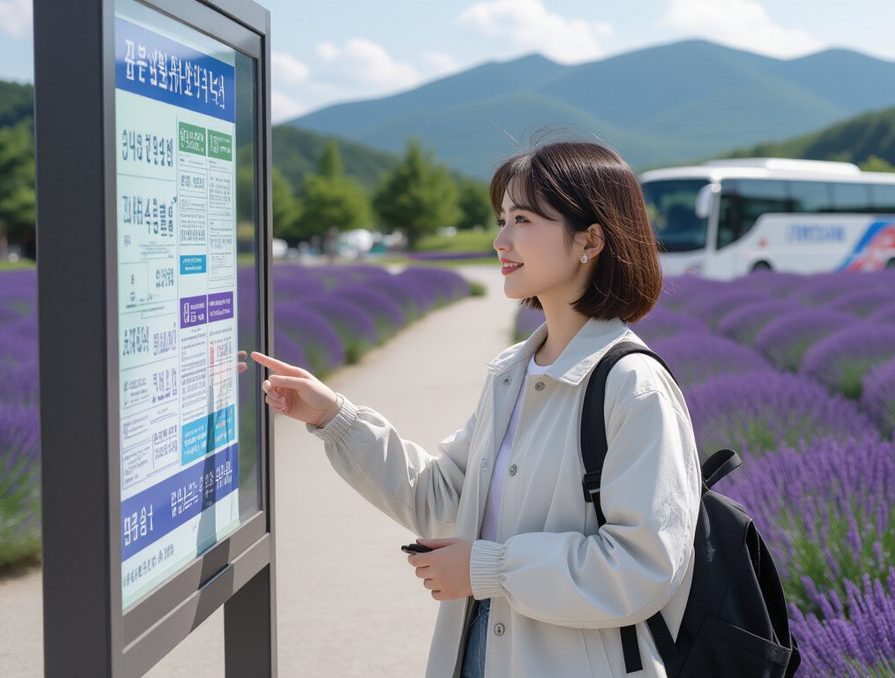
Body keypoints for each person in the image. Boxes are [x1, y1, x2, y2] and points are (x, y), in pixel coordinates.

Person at [252, 140, 702, 677]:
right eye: (502, 219)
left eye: (523, 219)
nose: (500, 239)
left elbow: (643, 568)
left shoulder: (633, 386)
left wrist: (487, 569)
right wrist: (336, 419)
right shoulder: (512, 373)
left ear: (591, 240)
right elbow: (443, 499)